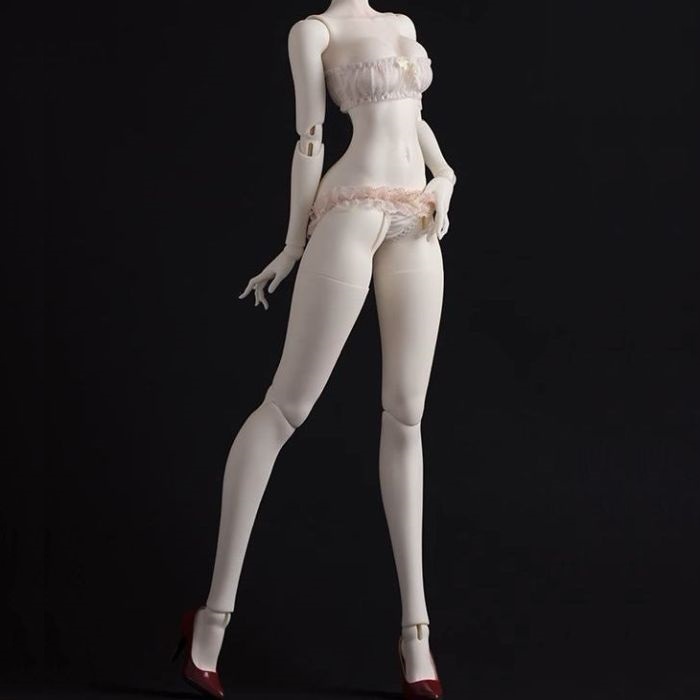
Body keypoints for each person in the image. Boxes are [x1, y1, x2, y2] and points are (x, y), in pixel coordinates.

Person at [172, 2, 456, 698]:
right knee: (286, 408)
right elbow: (309, 138)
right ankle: (212, 619)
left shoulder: (402, 25)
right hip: (350, 212)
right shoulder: (315, 33)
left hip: (417, 217)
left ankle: (416, 634)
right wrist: (294, 244)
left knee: (407, 413)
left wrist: (445, 174)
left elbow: (412, 118)